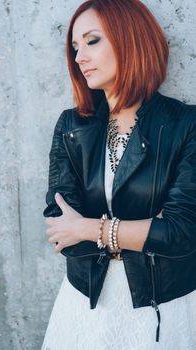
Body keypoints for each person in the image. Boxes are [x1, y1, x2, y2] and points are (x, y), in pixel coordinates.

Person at [42, 0, 196, 349]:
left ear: (131, 39)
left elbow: (182, 233)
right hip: (85, 301)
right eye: (75, 46)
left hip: (161, 306)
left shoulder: (185, 125)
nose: (79, 57)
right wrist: (145, 229)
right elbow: (59, 226)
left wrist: (87, 227)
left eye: (92, 41)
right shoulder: (72, 126)